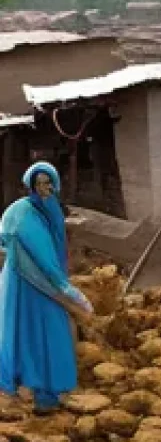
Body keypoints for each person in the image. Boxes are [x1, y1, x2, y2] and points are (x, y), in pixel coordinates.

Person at [0, 162, 92, 413]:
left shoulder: (48, 208)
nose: (44, 187)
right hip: (25, 281)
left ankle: (45, 392)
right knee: (37, 330)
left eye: (47, 182)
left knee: (46, 329)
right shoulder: (22, 211)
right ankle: (35, 387)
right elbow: (25, 245)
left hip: (32, 277)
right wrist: (67, 291)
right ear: (30, 185)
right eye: (38, 183)